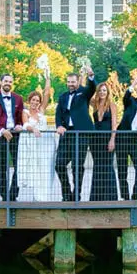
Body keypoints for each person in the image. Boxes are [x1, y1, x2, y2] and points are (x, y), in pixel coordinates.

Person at [54, 67, 96, 202]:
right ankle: (66, 192)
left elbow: (92, 89)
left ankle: (76, 194)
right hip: (67, 134)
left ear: (78, 82)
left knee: (77, 166)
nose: (70, 84)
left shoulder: (84, 93)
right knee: (59, 164)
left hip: (82, 134)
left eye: (73, 82)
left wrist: (91, 76)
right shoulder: (63, 97)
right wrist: (59, 125)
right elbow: (58, 114)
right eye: (68, 82)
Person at [16, 74, 55, 202]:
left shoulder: (41, 111)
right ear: (29, 101)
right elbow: (26, 124)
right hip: (31, 143)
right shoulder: (25, 112)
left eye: (37, 101)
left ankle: (42, 196)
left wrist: (47, 79)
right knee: (33, 168)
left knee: (43, 168)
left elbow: (47, 94)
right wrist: (34, 129)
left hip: (43, 143)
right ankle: (32, 196)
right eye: (33, 100)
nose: (35, 102)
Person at [0, 73, 24, 202]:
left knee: (19, 165)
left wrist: (19, 125)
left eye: (10, 81)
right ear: (1, 82)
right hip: (0, 136)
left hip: (15, 135)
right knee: (2, 166)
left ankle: (12, 194)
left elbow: (20, 117)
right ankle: (4, 196)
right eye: (6, 81)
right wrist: (2, 131)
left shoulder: (18, 98)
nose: (8, 83)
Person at [89, 82, 118, 201]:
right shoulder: (95, 104)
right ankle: (97, 197)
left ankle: (110, 197)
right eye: (100, 90)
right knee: (97, 165)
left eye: (104, 90)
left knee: (107, 165)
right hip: (95, 140)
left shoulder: (112, 105)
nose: (102, 92)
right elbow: (85, 93)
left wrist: (112, 139)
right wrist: (84, 75)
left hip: (107, 138)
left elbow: (114, 123)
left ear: (108, 92)